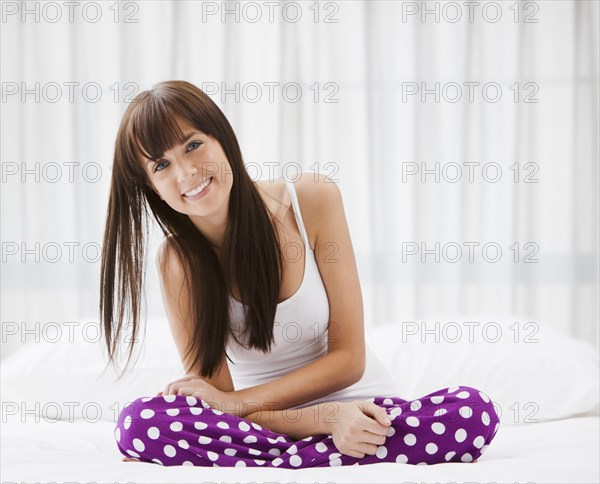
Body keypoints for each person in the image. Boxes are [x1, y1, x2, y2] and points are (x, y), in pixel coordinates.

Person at [100, 80, 500, 468]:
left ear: (223, 138)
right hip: (264, 426)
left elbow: (349, 359)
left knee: (472, 412)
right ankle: (325, 457)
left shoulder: (311, 198)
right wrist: (324, 420)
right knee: (139, 424)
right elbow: (216, 403)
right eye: (162, 164)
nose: (186, 172)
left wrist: (332, 414)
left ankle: (298, 459)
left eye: (193, 144)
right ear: (151, 186)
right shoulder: (177, 262)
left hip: (363, 410)